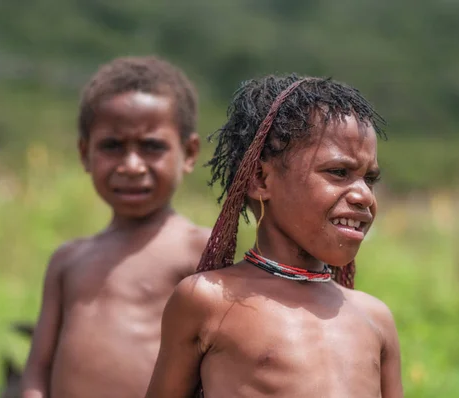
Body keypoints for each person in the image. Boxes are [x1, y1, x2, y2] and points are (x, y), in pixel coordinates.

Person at [145, 74, 404, 398]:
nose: (363, 195)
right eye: (339, 172)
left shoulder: (374, 318)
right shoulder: (208, 301)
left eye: (370, 178)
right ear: (260, 179)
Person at [20, 56, 211, 398]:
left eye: (152, 146)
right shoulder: (68, 260)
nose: (132, 166)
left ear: (189, 152)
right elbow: (38, 368)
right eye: (112, 146)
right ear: (84, 153)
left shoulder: (198, 248)